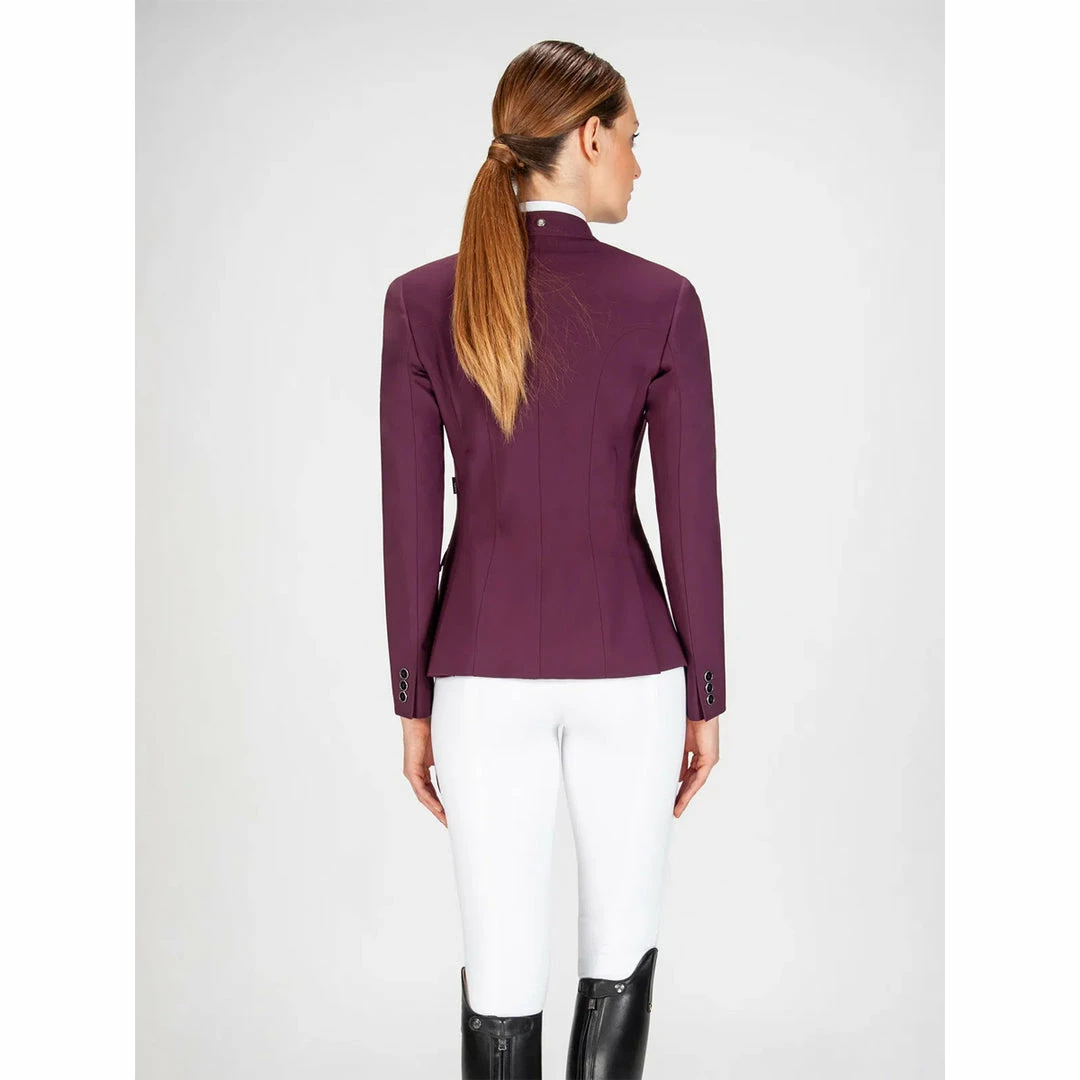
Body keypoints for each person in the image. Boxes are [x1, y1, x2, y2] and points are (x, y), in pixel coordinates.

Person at [379, 39, 726, 1080]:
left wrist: (413, 701)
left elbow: (407, 526)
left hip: (478, 676)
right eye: (632, 138)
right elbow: (690, 517)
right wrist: (707, 694)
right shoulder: (664, 299)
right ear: (588, 136)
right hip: (633, 672)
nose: (638, 164)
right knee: (620, 954)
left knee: (498, 968)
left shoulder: (419, 299)